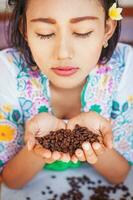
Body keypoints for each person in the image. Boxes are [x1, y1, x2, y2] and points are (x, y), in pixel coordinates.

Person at [0, 0, 133, 189]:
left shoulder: (124, 65)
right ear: (25, 30)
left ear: (107, 30)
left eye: (82, 32)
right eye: (44, 33)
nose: (63, 53)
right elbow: (11, 180)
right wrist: (38, 148)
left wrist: (94, 142)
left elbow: (120, 174)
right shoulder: (8, 70)